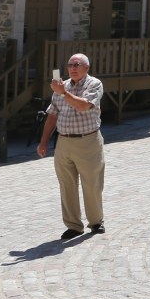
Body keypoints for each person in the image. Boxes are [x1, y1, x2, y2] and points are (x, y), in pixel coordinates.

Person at [37, 52, 105, 240]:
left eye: (77, 64)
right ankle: (73, 225)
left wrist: (63, 93)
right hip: (64, 141)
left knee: (91, 183)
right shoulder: (61, 86)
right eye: (70, 65)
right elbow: (52, 115)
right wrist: (44, 141)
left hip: (88, 141)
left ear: (86, 68)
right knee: (67, 185)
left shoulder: (94, 84)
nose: (73, 68)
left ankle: (96, 221)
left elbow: (84, 106)